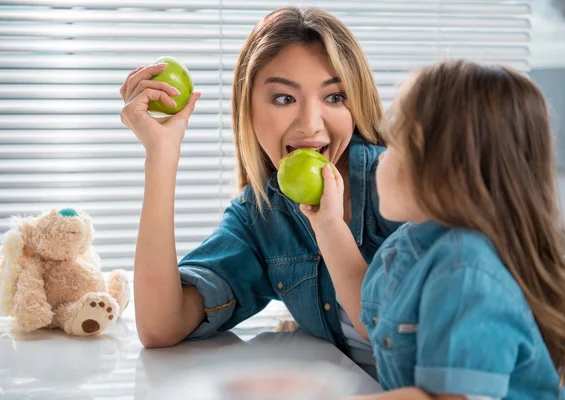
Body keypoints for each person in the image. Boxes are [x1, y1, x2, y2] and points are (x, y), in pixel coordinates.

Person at [118, 6, 398, 377]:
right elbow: (160, 327)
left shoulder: (404, 182)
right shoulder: (263, 215)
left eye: (334, 97)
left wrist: (330, 229)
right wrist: (161, 156)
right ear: (247, 109)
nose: (310, 125)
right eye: (284, 98)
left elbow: (392, 327)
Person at [301, 59, 565, 399]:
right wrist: (327, 223)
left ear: (443, 168)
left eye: (396, 144)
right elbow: (368, 316)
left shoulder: (464, 270)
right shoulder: (415, 243)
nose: (382, 157)